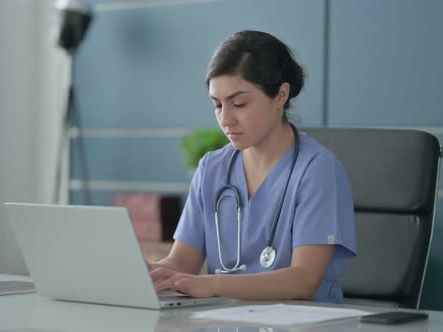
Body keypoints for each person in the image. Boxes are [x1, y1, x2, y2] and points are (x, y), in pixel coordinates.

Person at [149, 30, 356, 303]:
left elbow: (304, 280)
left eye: (239, 104)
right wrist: (147, 273)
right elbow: (181, 263)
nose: (225, 119)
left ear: (281, 95)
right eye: (217, 105)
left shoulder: (317, 170)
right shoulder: (212, 169)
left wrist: (213, 284)